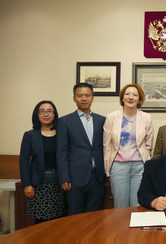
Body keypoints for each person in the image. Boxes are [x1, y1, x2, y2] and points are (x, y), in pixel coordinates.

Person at [57, 83, 106, 215]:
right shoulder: (65, 121)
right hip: (75, 179)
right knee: (75, 216)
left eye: (87, 95)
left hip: (97, 178)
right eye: (80, 96)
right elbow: (61, 152)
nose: (84, 98)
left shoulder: (102, 120)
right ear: (74, 98)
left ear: (92, 98)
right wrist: (64, 177)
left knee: (95, 217)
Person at [103, 84, 153, 208]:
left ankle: (136, 228)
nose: (131, 97)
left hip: (139, 166)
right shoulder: (112, 117)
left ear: (139, 99)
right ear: (122, 98)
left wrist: (146, 165)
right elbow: (107, 146)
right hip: (118, 166)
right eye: (127, 94)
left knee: (137, 204)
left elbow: (149, 145)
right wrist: (107, 170)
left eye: (135, 95)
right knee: (120, 205)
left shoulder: (146, 118)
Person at [19, 100, 65, 223]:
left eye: (50, 111)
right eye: (42, 112)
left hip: (59, 185)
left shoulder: (61, 134)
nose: (46, 114)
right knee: (41, 223)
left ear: (54, 114)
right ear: (37, 115)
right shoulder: (30, 135)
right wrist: (27, 184)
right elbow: (23, 161)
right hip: (38, 186)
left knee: (58, 221)